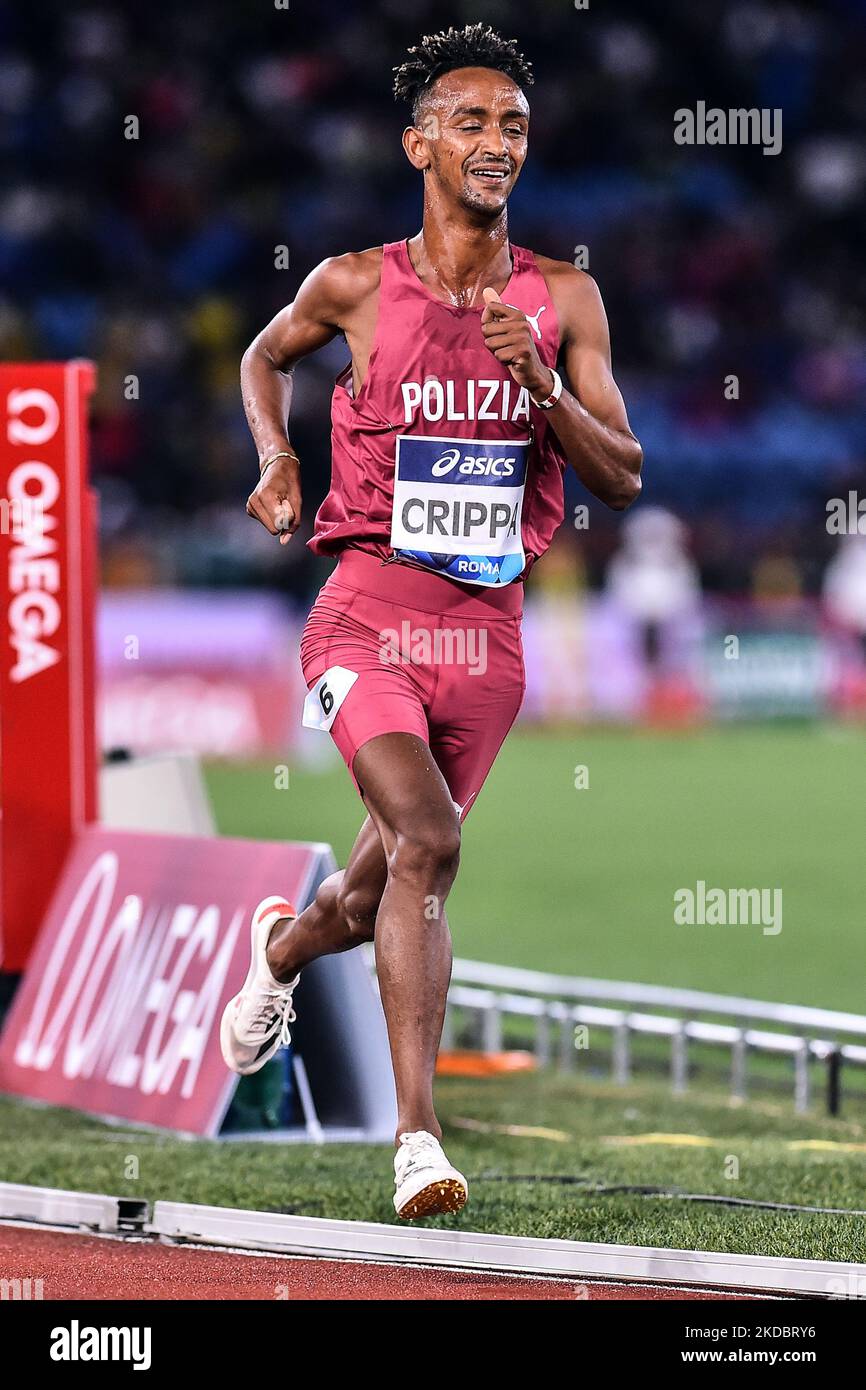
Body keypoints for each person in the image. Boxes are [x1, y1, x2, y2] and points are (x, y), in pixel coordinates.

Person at [220, 22, 642, 1219]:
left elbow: (620, 474)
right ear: (418, 143)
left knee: (380, 887)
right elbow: (263, 357)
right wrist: (274, 458)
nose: (495, 142)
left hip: (487, 647)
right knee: (427, 839)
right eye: (469, 121)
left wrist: (544, 388)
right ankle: (417, 1139)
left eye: (511, 123)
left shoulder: (562, 298)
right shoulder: (354, 282)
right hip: (364, 619)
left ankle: (282, 953)